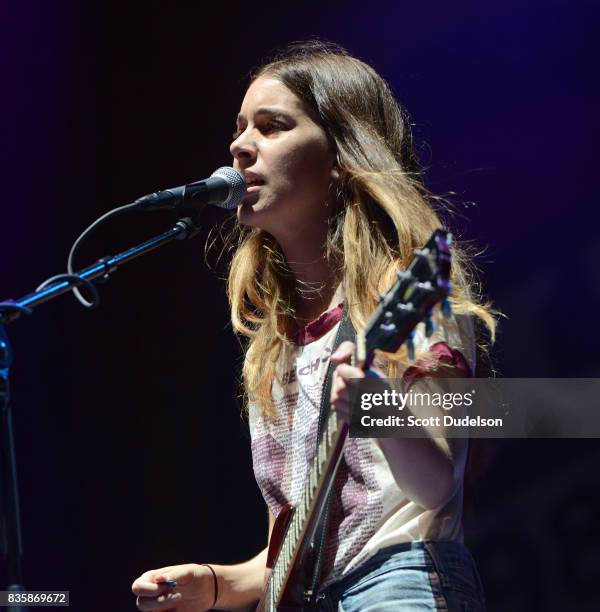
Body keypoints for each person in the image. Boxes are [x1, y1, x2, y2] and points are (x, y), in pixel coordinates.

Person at [132, 40, 496, 611]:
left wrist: (377, 408)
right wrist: (215, 583)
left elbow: (434, 486)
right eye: (239, 128)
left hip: (397, 584)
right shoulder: (274, 343)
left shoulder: (408, 296)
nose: (238, 146)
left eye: (272, 126)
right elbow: (301, 550)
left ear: (343, 155)